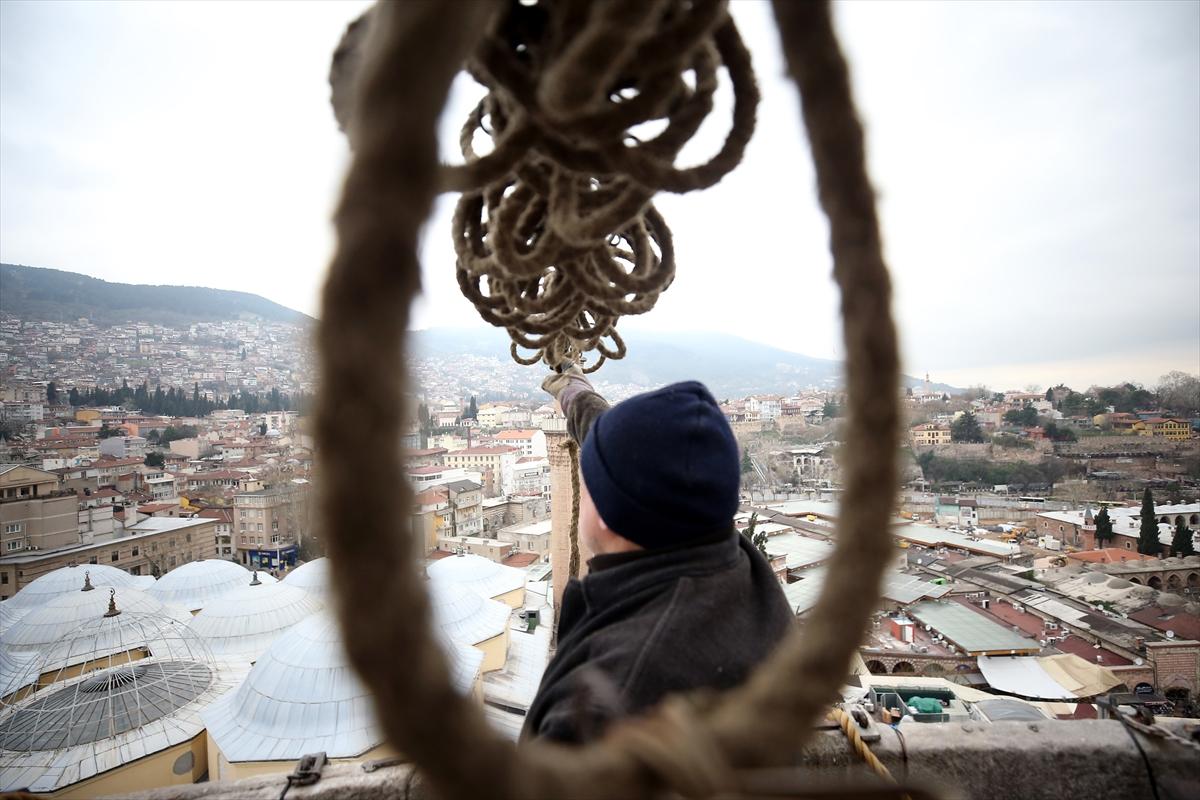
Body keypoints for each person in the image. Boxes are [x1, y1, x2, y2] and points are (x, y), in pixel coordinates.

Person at [521, 367, 794, 743]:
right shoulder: (725, 554)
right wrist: (575, 394)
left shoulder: (602, 702)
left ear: (605, 512)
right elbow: (630, 460)